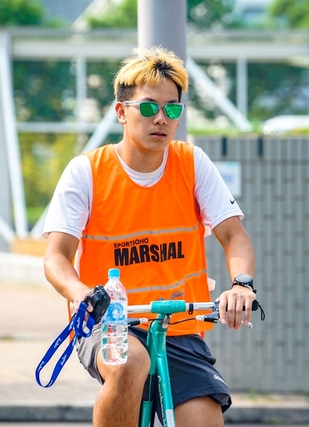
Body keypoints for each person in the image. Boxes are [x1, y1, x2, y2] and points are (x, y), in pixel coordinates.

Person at [42, 46, 257, 427]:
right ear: (121, 112)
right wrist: (82, 294)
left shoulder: (192, 163)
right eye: (148, 107)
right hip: (110, 323)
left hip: (178, 326)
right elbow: (56, 257)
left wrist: (241, 284)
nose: (161, 118)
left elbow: (233, 235)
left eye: (172, 109)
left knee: (203, 422)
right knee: (130, 363)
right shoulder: (86, 171)